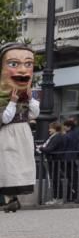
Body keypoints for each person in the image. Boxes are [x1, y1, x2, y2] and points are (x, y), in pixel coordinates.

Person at [0, 43, 39, 213]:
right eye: (14, 64)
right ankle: (10, 199)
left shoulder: (27, 95)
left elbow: (34, 114)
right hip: (8, 132)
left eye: (28, 64)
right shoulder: (3, 97)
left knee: (19, 166)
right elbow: (5, 118)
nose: (23, 71)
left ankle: (11, 199)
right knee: (7, 166)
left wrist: (30, 99)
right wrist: (13, 102)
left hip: (23, 132)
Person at [39, 121, 67, 205]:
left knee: (56, 180)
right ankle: (56, 198)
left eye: (50, 128)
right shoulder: (54, 137)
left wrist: (41, 148)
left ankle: (58, 198)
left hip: (55, 160)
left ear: (55, 128)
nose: (49, 130)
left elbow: (50, 149)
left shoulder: (57, 137)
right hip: (53, 161)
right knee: (55, 179)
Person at [62, 117, 79, 203]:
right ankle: (74, 194)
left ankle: (72, 195)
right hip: (73, 157)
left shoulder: (67, 135)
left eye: (65, 126)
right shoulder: (75, 134)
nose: (64, 128)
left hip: (67, 158)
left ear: (68, 127)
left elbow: (64, 146)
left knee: (71, 177)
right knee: (74, 177)